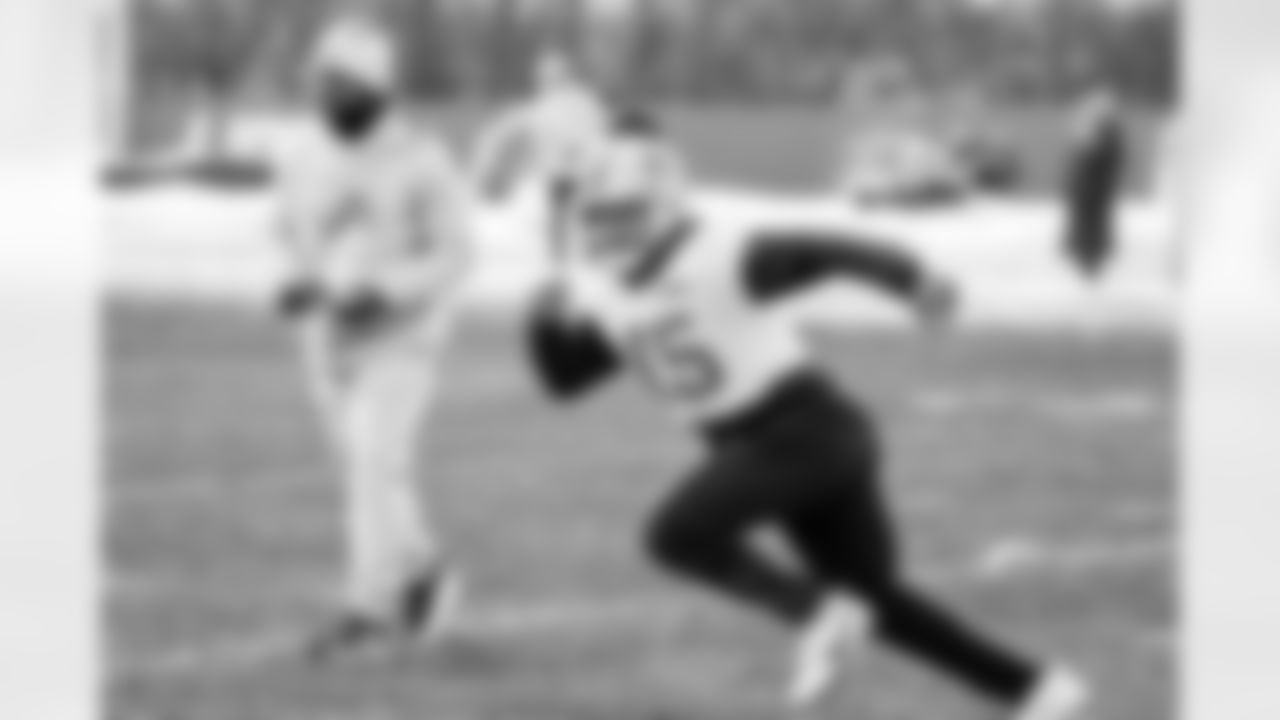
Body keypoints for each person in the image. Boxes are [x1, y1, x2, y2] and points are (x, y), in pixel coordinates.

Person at [527, 119, 1089, 719]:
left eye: (623, 213)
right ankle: (1039, 691)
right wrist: (540, 318)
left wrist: (915, 281)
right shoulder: (616, 293)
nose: (610, 230)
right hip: (788, 444)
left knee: (677, 535)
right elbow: (565, 380)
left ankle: (818, 615)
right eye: (600, 216)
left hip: (800, 430)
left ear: (664, 205)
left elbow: (834, 251)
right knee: (879, 602)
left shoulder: (718, 254)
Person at [270, 15, 474, 659]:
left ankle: (370, 609)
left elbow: (455, 254)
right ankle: (423, 574)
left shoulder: (422, 157)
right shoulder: (302, 153)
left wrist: (385, 290)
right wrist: (297, 281)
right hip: (325, 339)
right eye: (318, 80)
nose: (322, 93)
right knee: (371, 473)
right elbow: (288, 233)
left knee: (370, 460)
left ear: (373, 86)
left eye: (337, 82)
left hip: (402, 339)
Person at [469, 51, 612, 272]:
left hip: (577, 169)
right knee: (563, 216)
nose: (545, 80)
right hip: (566, 172)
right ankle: (564, 262)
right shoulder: (549, 106)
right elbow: (525, 137)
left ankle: (571, 260)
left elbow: (593, 132)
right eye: (544, 76)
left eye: (549, 76)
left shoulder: (575, 102)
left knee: (570, 215)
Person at [1063, 87, 1128, 282]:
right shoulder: (1104, 134)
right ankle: (1089, 262)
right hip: (1090, 192)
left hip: (1092, 191)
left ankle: (1090, 263)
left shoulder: (1105, 135)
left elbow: (1094, 161)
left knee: (1091, 225)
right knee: (1089, 224)